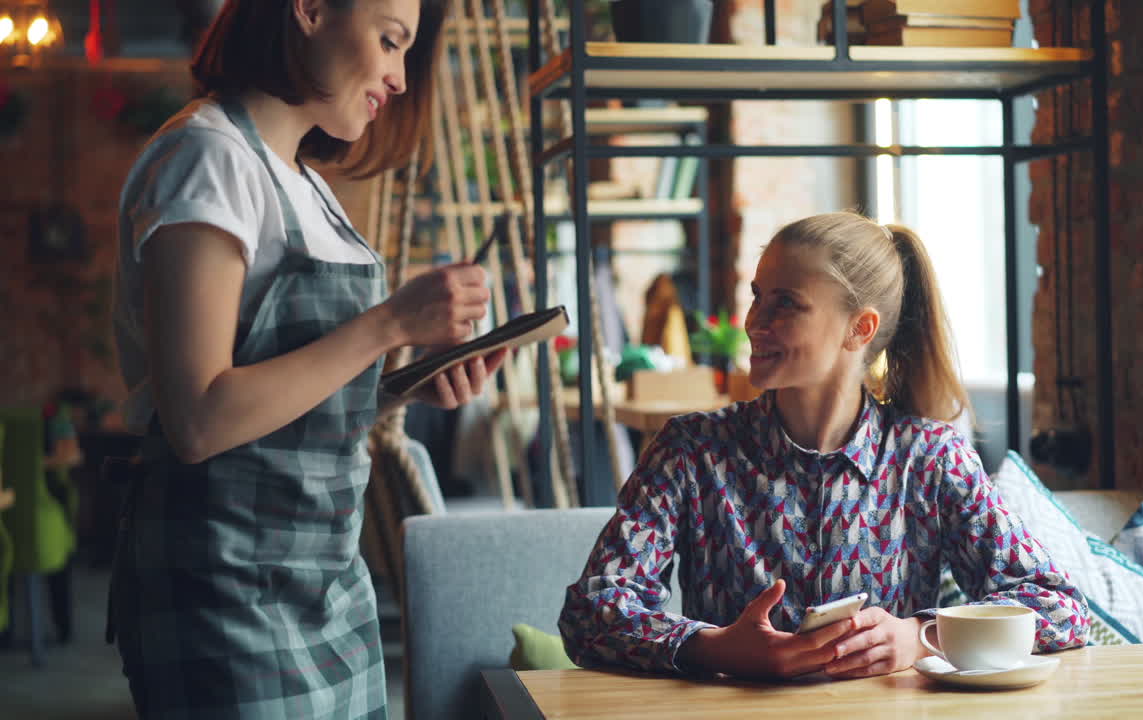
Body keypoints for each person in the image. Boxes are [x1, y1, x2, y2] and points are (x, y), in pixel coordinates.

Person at [108, 1, 504, 717]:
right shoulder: (207, 158)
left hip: (327, 587)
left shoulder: (309, 186)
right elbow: (198, 417)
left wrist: (396, 391)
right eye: (390, 42)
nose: (399, 77)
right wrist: (389, 324)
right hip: (224, 595)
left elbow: (286, 400)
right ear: (312, 9)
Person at [559, 210, 1089, 680]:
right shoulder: (691, 451)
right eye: (757, 298)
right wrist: (716, 648)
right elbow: (592, 612)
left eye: (785, 304)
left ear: (860, 329)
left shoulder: (930, 458)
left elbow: (1060, 607)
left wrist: (922, 636)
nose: (753, 323)